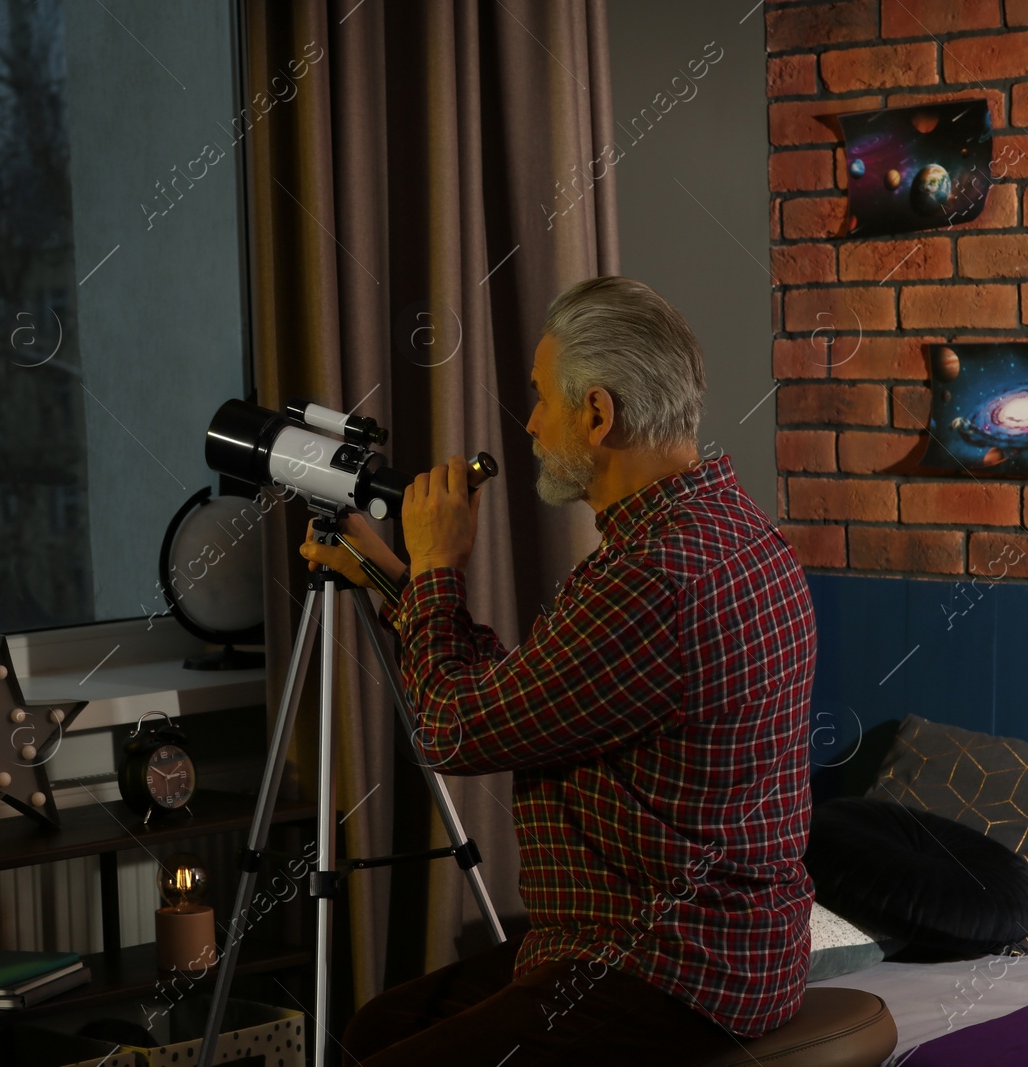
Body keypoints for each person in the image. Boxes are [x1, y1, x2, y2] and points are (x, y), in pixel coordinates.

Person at [300, 276, 817, 1066]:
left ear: (599, 414)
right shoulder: (731, 530)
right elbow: (530, 698)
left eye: (542, 398)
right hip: (725, 948)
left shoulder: (648, 580)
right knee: (377, 1028)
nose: (532, 424)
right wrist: (397, 577)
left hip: (667, 967)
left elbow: (451, 729)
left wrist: (441, 565)